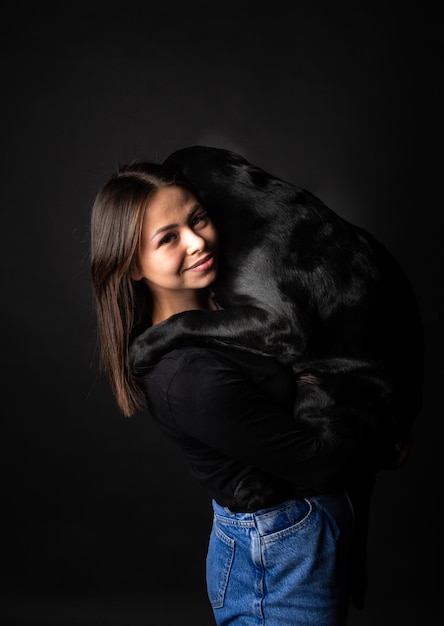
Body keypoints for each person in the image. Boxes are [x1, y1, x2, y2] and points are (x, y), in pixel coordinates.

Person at [89, 160, 389, 625]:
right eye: (167, 238)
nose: (196, 241)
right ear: (131, 264)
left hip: (303, 537)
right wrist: (385, 436)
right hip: (279, 557)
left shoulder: (232, 297)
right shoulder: (186, 376)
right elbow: (321, 462)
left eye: (197, 219)